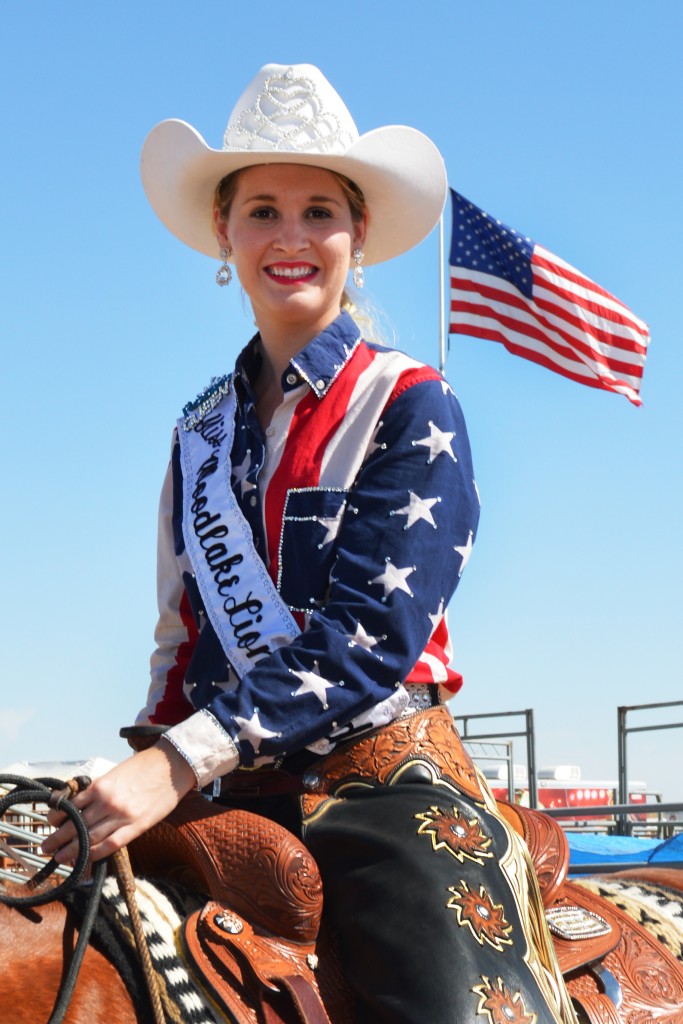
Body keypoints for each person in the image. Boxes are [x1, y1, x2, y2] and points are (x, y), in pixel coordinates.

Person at [45, 64, 577, 1024]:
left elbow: (372, 634)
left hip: (381, 779)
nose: (290, 237)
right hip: (220, 778)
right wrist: (140, 758)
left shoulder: (410, 403)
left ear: (358, 234)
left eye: (318, 210)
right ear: (223, 234)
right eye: (260, 211)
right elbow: (178, 643)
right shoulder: (198, 434)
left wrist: (171, 765)